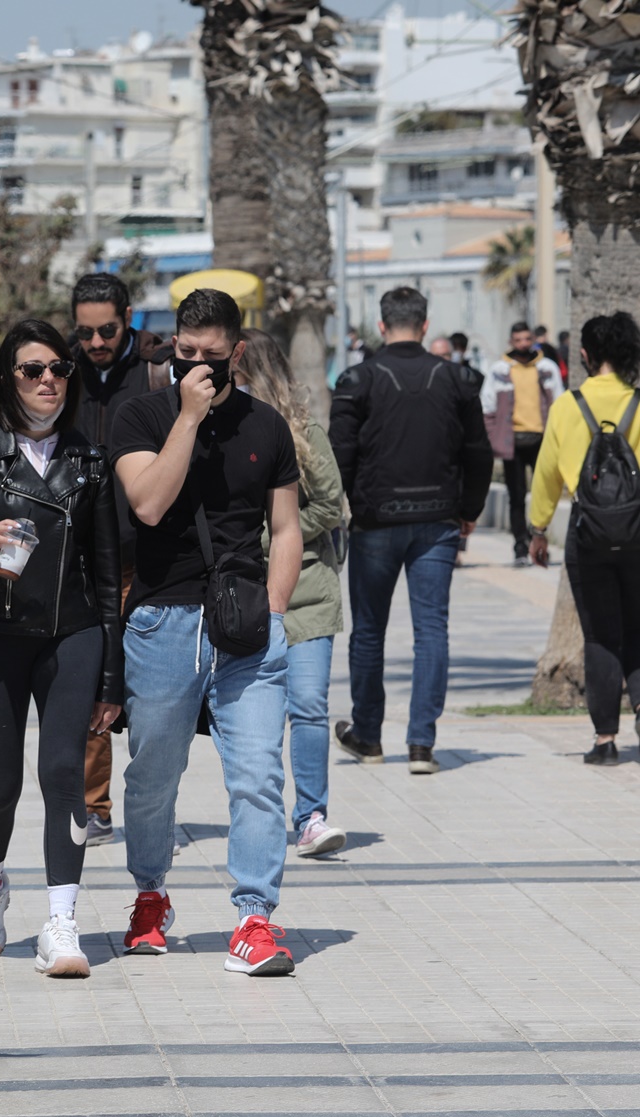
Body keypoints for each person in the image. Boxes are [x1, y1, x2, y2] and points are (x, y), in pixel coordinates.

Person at [108, 288, 303, 977]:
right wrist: (187, 417)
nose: (196, 367)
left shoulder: (266, 427)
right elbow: (150, 503)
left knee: (257, 776)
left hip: (246, 625)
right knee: (155, 775)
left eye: (212, 358)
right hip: (165, 621)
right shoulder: (140, 415)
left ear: (237, 354)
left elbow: (285, 528)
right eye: (183, 355)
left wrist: (276, 610)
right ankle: (151, 895)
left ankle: (255, 920)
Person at [0, 318, 124, 977]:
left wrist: (111, 681)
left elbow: (105, 573)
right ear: (8, 380)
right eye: (33, 370)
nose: (49, 381)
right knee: (0, 785)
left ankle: (62, 923)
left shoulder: (89, 463)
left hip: (72, 635)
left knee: (65, 773)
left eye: (60, 370)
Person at [330, 287, 493, 775]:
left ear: (382, 326)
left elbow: (339, 456)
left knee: (369, 633)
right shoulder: (457, 379)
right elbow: (479, 453)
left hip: (376, 520)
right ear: (424, 325)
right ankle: (421, 744)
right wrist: (469, 510)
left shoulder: (357, 379)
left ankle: (368, 735)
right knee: (431, 631)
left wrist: (347, 507)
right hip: (439, 521)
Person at [235, 330, 349, 857]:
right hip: (245, 594)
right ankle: (259, 815)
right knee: (249, 718)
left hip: (307, 591)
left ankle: (311, 817)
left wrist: (272, 535)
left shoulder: (304, 432)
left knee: (307, 706)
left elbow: (331, 506)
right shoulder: (221, 433)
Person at [70, 273, 172, 847]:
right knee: (88, 676)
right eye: (85, 332)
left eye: (106, 329)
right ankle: (94, 806)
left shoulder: (157, 370)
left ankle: (151, 795)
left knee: (147, 682)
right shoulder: (60, 370)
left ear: (128, 317)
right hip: (84, 555)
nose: (95, 342)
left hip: (146, 554)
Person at [527, 312, 640, 765]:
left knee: (599, 635)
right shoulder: (638, 402)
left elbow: (546, 476)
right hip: (638, 532)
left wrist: (537, 531)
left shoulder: (567, 407)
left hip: (587, 533)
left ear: (587, 355)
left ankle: (605, 740)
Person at [482, 322, 565, 564]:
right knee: (516, 495)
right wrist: (493, 438)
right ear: (511, 341)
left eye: (527, 339)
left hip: (542, 440)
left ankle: (540, 542)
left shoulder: (546, 368)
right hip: (512, 442)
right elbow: (487, 406)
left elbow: (559, 403)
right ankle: (520, 545)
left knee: (543, 493)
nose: (523, 344)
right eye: (518, 340)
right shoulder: (498, 370)